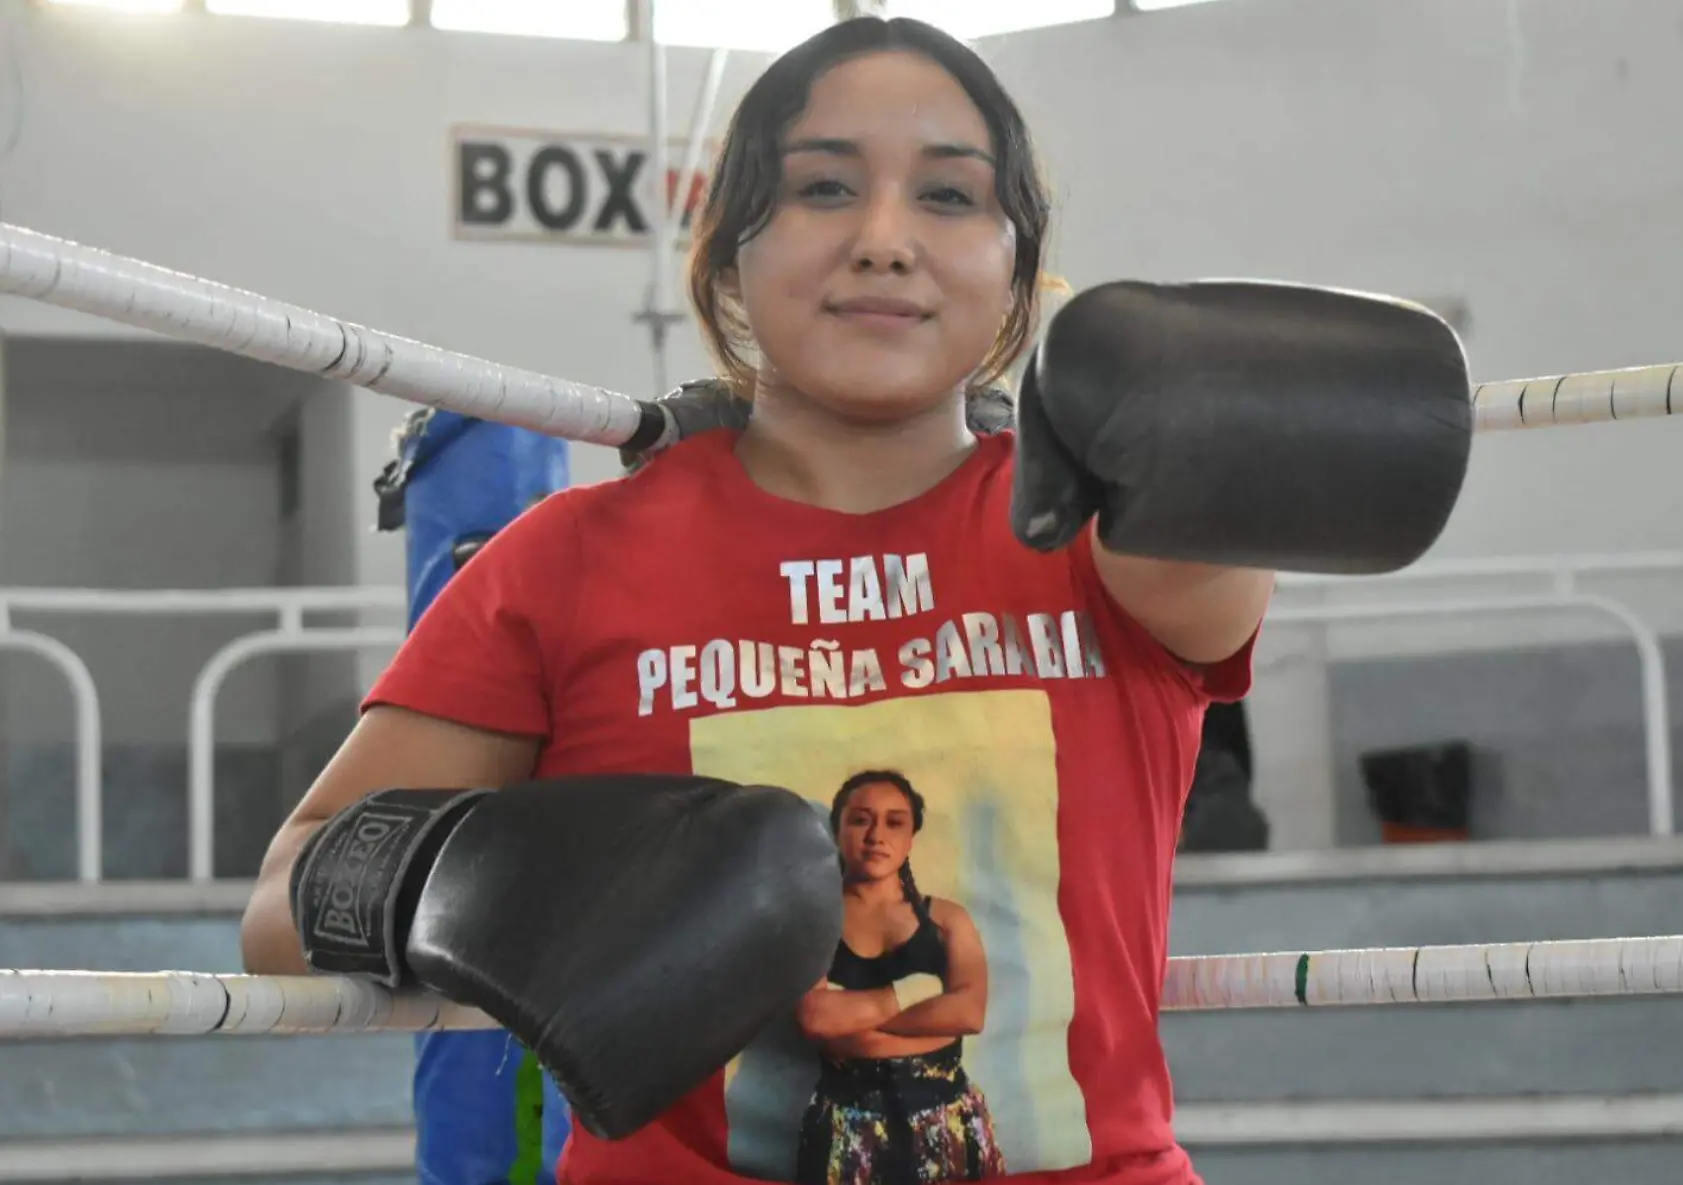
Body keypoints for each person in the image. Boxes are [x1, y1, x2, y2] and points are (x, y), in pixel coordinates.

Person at [239, 13, 1468, 1185]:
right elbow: (285, 903)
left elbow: (1221, 549)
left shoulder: (1113, 535)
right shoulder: (564, 560)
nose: (884, 237)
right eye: (825, 186)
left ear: (1014, 265)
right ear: (731, 245)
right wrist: (502, 894)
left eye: (947, 194)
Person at [794, 771, 1003, 1184]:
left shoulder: (946, 920)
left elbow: (968, 1014)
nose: (876, 835)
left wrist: (855, 1014)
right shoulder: (811, 920)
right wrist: (917, 993)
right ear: (838, 830)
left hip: (948, 1125)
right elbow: (815, 1020)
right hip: (845, 1134)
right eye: (860, 820)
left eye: (894, 822)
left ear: (911, 839)